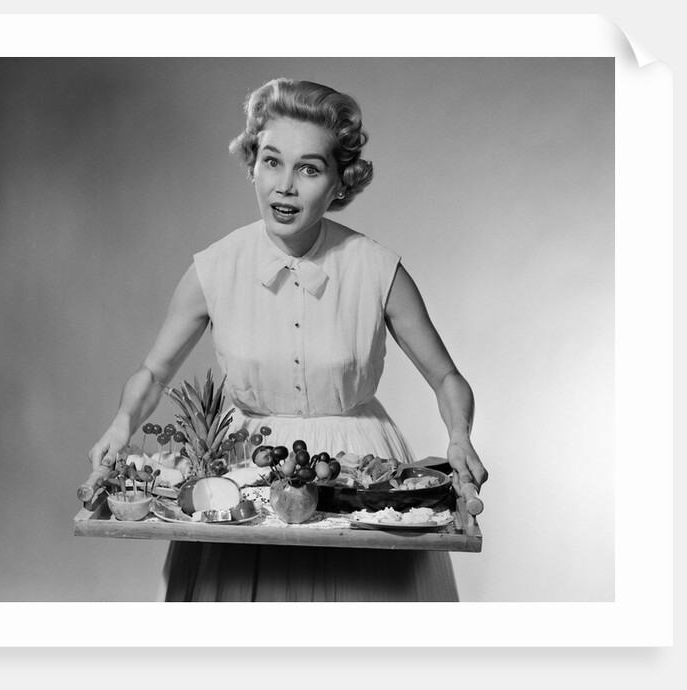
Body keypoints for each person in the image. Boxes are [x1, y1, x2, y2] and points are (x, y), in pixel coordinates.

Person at [89, 78, 488, 601]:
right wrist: (120, 428)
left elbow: (445, 377)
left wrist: (459, 436)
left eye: (309, 168)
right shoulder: (213, 269)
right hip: (243, 477)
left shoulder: (378, 269)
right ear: (251, 164)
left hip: (360, 482)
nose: (285, 186)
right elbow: (154, 374)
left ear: (340, 182)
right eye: (272, 162)